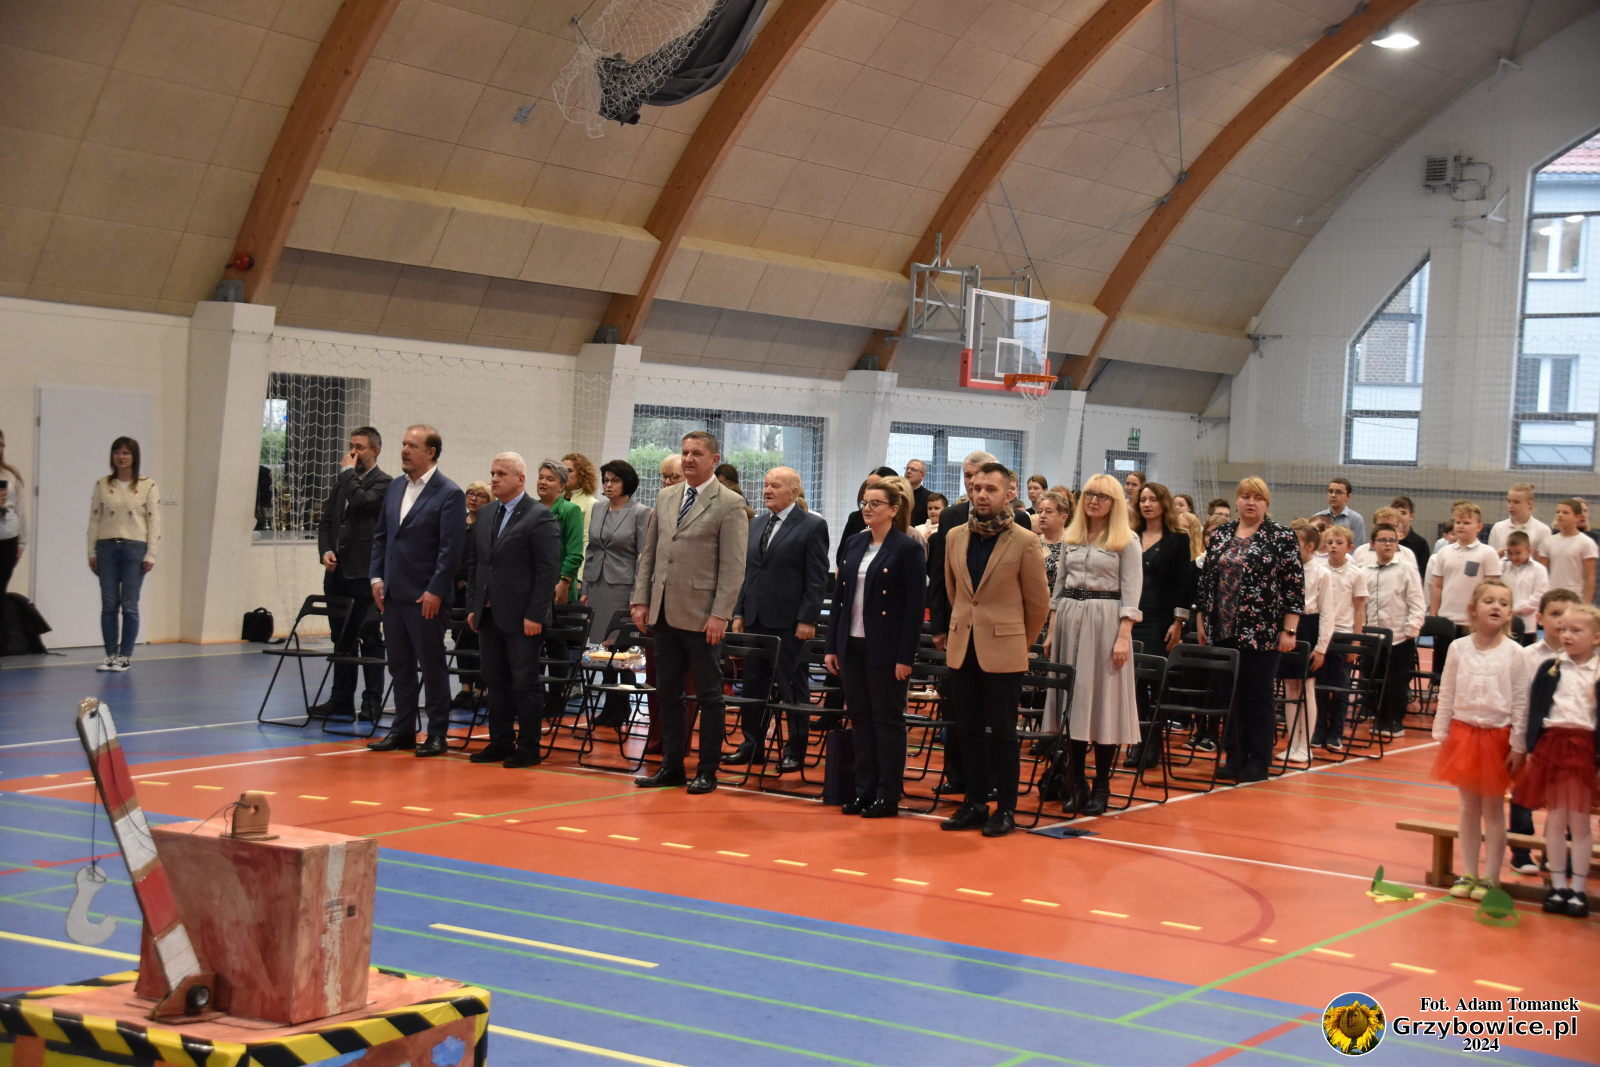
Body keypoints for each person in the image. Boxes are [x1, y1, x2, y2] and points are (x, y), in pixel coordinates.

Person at [932, 462, 1050, 837]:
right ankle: (975, 803)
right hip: (962, 645)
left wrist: (1018, 642)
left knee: (1002, 734)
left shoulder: (1025, 540)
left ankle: (1006, 810)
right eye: (977, 488)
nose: (981, 494)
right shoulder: (954, 536)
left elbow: (1039, 604)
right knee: (967, 731)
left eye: (990, 489)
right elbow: (954, 591)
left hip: (1005, 650)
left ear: (1009, 494)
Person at [630, 430, 749, 793]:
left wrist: (720, 614)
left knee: (709, 696)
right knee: (667, 693)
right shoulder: (666, 496)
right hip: (664, 611)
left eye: (697, 453)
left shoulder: (729, 503)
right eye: (684, 452)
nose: (688, 459)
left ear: (714, 459)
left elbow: (733, 566)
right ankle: (671, 766)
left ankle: (707, 770)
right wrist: (641, 599)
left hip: (702, 616)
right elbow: (649, 554)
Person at [1044, 474, 1143, 815]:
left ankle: (1102, 785)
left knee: (1103, 702)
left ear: (1114, 503)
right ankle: (1076, 782)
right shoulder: (1071, 538)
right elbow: (1058, 589)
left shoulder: (1127, 540)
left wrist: (1123, 636)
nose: (1094, 501)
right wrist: (1052, 631)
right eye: (1089, 494)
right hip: (1070, 618)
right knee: (1072, 702)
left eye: (1102, 496)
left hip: (1106, 622)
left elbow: (1132, 593)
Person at [366, 425, 466, 756]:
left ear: (431, 452)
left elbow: (450, 549)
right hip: (394, 594)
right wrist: (376, 577)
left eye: (412, 445)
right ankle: (403, 730)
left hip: (426, 597)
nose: (404, 450)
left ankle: (437, 733)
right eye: (403, 444)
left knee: (432, 666)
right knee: (400, 666)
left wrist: (436, 590)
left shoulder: (449, 493)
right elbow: (382, 536)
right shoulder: (396, 486)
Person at [827, 479, 923, 817]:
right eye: (864, 503)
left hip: (886, 648)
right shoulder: (855, 542)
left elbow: (914, 608)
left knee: (887, 721)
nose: (867, 509)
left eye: (875, 503)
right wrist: (832, 645)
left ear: (894, 510)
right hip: (851, 643)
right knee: (860, 719)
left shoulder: (907, 548)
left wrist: (905, 656)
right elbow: (839, 598)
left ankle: (887, 794)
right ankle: (863, 790)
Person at [1196, 477, 1303, 783]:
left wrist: (1289, 630)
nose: (1250, 502)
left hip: (1262, 629)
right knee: (1229, 695)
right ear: (1237, 501)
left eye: (1257, 497)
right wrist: (1202, 617)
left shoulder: (1281, 536)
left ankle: (1258, 759)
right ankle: (1234, 756)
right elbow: (1206, 580)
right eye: (1245, 496)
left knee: (1257, 695)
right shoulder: (1221, 534)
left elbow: (1294, 586)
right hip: (1222, 626)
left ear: (1266, 503)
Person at [727, 466, 829, 771]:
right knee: (753, 685)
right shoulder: (756, 523)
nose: (767, 490)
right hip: (755, 618)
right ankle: (752, 746)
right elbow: (748, 572)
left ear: (793, 491)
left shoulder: (812, 525)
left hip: (790, 622)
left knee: (792, 688)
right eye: (766, 484)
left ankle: (795, 750)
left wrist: (808, 619)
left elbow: (816, 578)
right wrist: (739, 611)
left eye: (775, 485)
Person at [1431, 579, 1526, 901]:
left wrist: (1518, 745)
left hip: (1499, 737)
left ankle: (1491, 877)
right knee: (1468, 806)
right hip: (1464, 734)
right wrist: (1442, 733)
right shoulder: (1458, 648)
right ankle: (1469, 872)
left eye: (1503, 603)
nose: (1496, 606)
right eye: (1489, 601)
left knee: (1494, 808)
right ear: (1473, 609)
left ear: (1510, 613)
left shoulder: (1515, 653)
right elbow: (1447, 691)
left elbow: (1521, 702)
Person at [466, 453, 560, 768]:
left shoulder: (538, 516)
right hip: (489, 613)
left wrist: (536, 613)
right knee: (494, 680)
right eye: (492, 473)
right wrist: (474, 606)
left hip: (523, 616)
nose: (494, 479)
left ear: (520, 479)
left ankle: (529, 747)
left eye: (501, 474)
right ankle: (500, 741)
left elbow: (547, 571)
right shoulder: (486, 513)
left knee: (524, 682)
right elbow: (477, 563)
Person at [1511, 602, 1600, 918]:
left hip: (1585, 750)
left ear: (1596, 637)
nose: (1567, 635)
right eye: (1563, 629)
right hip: (1551, 748)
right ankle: (1558, 885)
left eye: (1576, 630)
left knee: (1580, 822)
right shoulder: (1550, 668)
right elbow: (1535, 710)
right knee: (1556, 819)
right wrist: (1529, 749)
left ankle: (1579, 889)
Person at [313, 426, 392, 719]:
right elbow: (326, 522)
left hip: (365, 574)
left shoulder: (384, 483)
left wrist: (348, 474)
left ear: (375, 450)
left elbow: (363, 502)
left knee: (369, 637)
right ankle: (341, 699)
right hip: (338, 575)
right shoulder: (343, 481)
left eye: (359, 447)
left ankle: (372, 701)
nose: (352, 452)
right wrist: (325, 550)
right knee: (341, 639)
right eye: (351, 446)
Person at [1123, 482, 1194, 771]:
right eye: (1143, 500)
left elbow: (1183, 585)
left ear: (1163, 504)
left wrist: (1179, 622)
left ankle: (1152, 743)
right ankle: (1136, 742)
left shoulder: (1178, 539)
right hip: (1132, 616)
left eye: (1152, 499)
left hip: (1160, 619)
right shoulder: (1130, 535)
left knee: (1153, 682)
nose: (1147, 504)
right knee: (1134, 684)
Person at [1511, 589, 1579, 876]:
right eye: (1555, 614)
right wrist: (1520, 743)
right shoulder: (1526, 656)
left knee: (1568, 798)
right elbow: (1518, 701)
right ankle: (1521, 851)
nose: (1561, 621)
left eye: (1568, 615)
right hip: (1533, 737)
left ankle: (1560, 852)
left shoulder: (1585, 657)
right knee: (1524, 794)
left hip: (1569, 738)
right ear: (1539, 618)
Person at [87, 436, 160, 671]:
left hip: (135, 548)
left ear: (134, 457)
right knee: (109, 604)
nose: (121, 457)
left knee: (129, 605)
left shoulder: (148, 485)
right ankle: (110, 654)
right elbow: (95, 519)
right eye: (117, 452)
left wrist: (151, 554)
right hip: (106, 547)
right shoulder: (102, 484)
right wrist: (91, 551)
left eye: (126, 453)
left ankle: (125, 655)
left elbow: (154, 521)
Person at [1364, 523, 1425, 740]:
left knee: (1396, 680)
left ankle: (1394, 720)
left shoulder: (1406, 569)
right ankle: (1377, 716)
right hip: (1372, 637)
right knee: (1374, 678)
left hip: (1399, 636)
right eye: (1383, 540)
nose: (1388, 544)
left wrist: (1411, 628)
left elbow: (1417, 601)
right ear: (1373, 544)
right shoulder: (1365, 571)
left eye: (1392, 540)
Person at [1427, 502, 1501, 681]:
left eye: (1467, 522)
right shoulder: (1444, 553)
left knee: (1470, 671)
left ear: (1479, 527)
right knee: (1443, 672)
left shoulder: (1487, 553)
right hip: (1446, 620)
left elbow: (1493, 589)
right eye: (1458, 522)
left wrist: (1484, 617)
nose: (1461, 526)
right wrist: (1434, 614)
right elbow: (1437, 585)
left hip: (1472, 622)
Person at [581, 460, 650, 644]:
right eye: (606, 480)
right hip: (596, 585)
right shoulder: (598, 508)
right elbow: (592, 550)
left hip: (622, 588)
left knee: (619, 643)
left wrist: (637, 596)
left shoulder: (640, 512)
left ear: (627, 482)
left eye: (615, 480)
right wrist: (585, 588)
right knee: (597, 643)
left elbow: (643, 558)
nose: (609, 485)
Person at [1311, 524, 1366, 752]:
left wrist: (1356, 641)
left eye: (1339, 543)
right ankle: (1319, 730)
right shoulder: (1319, 569)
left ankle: (1336, 732)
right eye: (1330, 542)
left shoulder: (1356, 573)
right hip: (1322, 634)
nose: (1333, 546)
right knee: (1318, 685)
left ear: (1349, 547)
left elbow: (1360, 610)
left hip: (1343, 634)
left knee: (1340, 687)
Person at [450, 479, 491, 710]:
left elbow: (482, 558)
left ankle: (481, 688)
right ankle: (465, 686)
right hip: (456, 590)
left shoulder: (487, 525)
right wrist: (456, 575)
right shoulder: (458, 522)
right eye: (470, 493)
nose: (474, 499)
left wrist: (466, 575)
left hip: (476, 590)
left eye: (480, 495)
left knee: (477, 640)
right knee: (460, 638)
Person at [534, 459, 584, 604]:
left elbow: (575, 553)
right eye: (540, 477)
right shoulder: (530, 508)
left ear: (561, 486)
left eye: (550, 479)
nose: (543, 482)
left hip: (559, 587)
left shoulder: (571, 510)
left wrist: (564, 582)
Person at [1537, 498, 1596, 602]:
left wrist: (1586, 603)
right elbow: (1542, 573)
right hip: (1552, 594)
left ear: (1577, 517)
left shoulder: (1586, 543)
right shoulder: (1548, 542)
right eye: (1558, 512)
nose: (1560, 515)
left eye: (1565, 512)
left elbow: (1590, 577)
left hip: (1576, 596)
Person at [0, 428, 27, 653]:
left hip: (7, 538)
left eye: (1, 445)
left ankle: (3, 643)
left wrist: (22, 542)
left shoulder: (10, 475)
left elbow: (20, 509)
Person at [1502, 530, 1549, 636]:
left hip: (1528, 625)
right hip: (1503, 624)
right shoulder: (1502, 567)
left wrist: (1515, 610)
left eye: (1518, 553)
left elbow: (1539, 596)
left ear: (1529, 551)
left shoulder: (1539, 570)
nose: (1513, 557)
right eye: (1509, 553)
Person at [1489, 483, 1551, 555]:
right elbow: (1491, 557)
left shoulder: (1543, 530)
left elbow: (1542, 559)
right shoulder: (1498, 528)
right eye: (1508, 501)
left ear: (1529, 504)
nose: (1511, 506)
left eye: (1516, 502)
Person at [563, 452, 600, 569]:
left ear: (582, 474)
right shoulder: (556, 499)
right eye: (561, 470)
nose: (564, 474)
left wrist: (578, 573)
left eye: (569, 471)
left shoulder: (591, 503)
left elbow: (586, 542)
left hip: (572, 567)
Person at [1034, 490, 1069, 594]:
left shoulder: (1073, 544)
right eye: (1040, 511)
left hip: (1064, 601)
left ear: (1063, 517)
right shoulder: (1032, 543)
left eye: (1048, 511)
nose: (1042, 515)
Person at [1315, 477, 1365, 547]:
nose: (1333, 495)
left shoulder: (1356, 519)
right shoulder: (1317, 518)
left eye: (1338, 492)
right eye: (1330, 491)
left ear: (1348, 496)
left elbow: (1357, 547)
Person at [1391, 496, 1430, 576]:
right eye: (1396, 513)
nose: (1399, 516)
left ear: (1411, 516)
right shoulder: (1386, 541)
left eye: (1403, 513)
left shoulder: (1420, 543)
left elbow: (1423, 573)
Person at [904, 458, 932, 527]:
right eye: (907, 468)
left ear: (922, 476)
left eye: (913, 469)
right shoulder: (897, 493)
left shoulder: (930, 497)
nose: (908, 471)